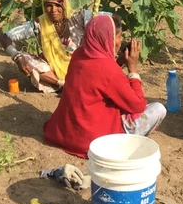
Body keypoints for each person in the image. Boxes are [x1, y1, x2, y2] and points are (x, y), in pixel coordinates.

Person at [43, 15, 166, 158]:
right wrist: (133, 70)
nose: (120, 41)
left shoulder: (78, 55)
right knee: (158, 109)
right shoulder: (109, 70)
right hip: (94, 141)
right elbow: (138, 105)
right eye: (118, 37)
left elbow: (99, 81)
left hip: (64, 134)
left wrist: (117, 62)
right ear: (108, 39)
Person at [0, 0, 105, 93]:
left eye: (58, 5)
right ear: (44, 7)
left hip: (80, 68)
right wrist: (17, 57)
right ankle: (63, 85)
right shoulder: (38, 24)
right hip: (53, 72)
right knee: (27, 59)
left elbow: (109, 20)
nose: (54, 10)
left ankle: (78, 83)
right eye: (49, 5)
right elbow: (5, 37)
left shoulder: (78, 18)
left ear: (65, 5)